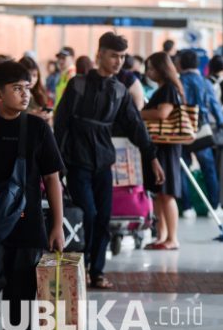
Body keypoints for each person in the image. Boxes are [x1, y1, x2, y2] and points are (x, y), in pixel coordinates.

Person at [0, 60, 65, 330]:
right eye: (17, 89)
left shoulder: (37, 127)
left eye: (27, 88)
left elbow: (53, 178)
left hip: (28, 223)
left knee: (22, 287)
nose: (25, 94)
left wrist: (56, 225)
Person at [54, 32, 164, 289]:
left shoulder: (119, 90)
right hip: (77, 160)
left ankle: (97, 271)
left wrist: (153, 158)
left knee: (104, 217)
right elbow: (61, 125)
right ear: (100, 54)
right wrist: (56, 166)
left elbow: (136, 126)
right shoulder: (77, 84)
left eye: (123, 56)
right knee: (89, 214)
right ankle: (85, 263)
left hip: (104, 161)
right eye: (114, 55)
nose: (118, 61)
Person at [140, 53, 184, 250]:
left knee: (167, 193)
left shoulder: (168, 89)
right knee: (159, 192)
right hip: (159, 146)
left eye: (151, 68)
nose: (148, 72)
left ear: (161, 69)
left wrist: (138, 114)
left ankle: (172, 238)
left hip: (166, 146)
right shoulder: (164, 88)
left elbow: (163, 113)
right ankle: (162, 236)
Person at [178, 50, 223, 219]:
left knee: (182, 168)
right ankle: (214, 206)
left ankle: (186, 208)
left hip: (182, 129)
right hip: (201, 129)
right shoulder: (204, 82)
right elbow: (214, 104)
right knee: (209, 169)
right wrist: (221, 122)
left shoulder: (178, 82)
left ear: (181, 64)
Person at [18, 55, 51, 120]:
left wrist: (48, 114)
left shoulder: (40, 93)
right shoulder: (15, 94)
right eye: (28, 75)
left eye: (34, 75)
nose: (31, 79)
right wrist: (33, 114)